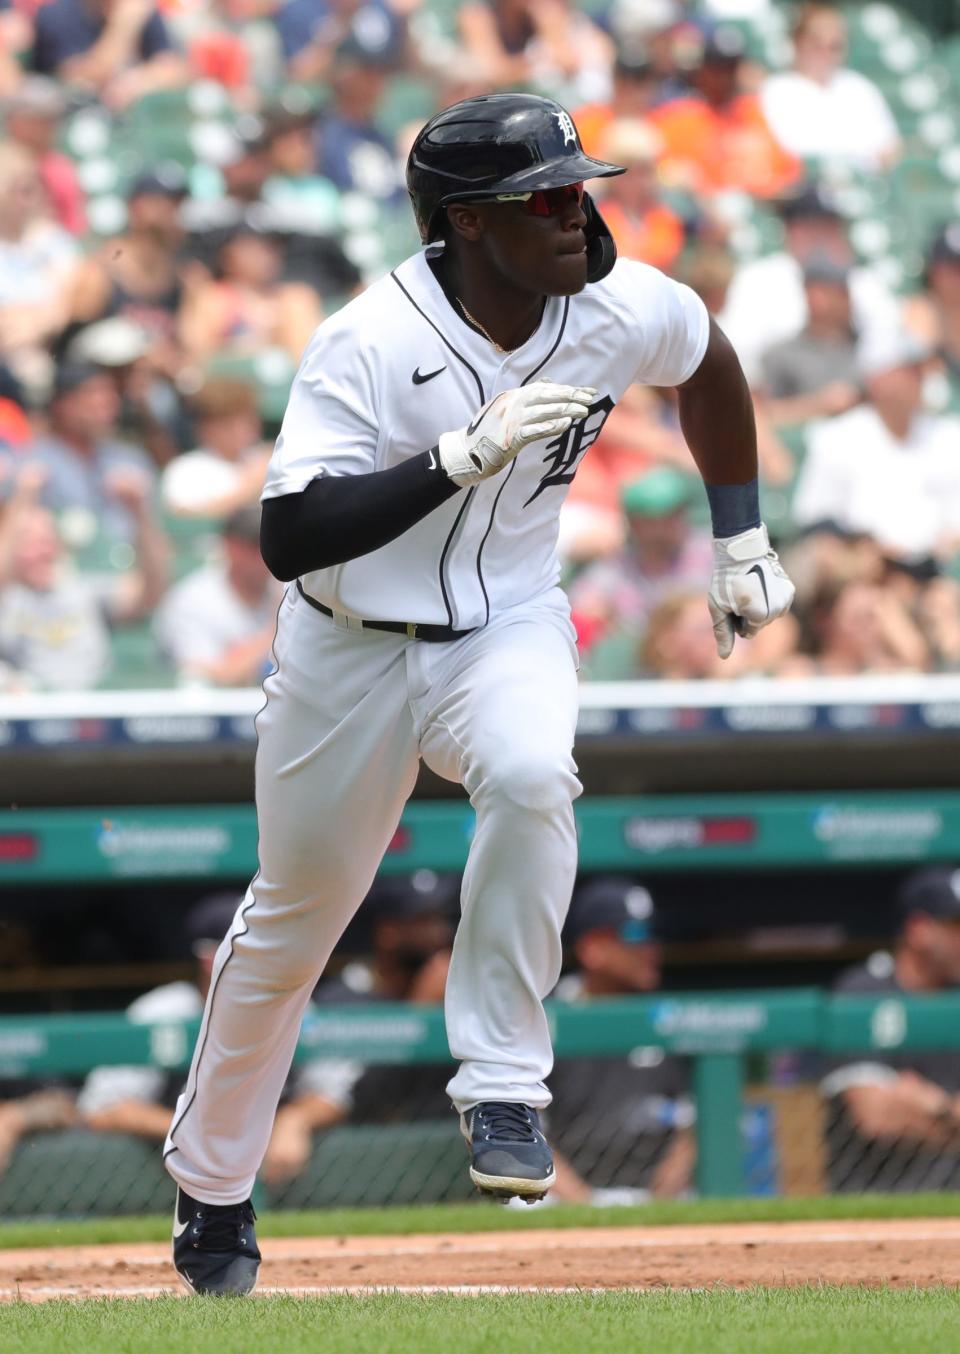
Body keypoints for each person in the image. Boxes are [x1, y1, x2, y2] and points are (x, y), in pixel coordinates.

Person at [163, 91, 794, 1295]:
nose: (576, 213)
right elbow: (289, 535)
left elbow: (709, 362)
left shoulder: (615, 307)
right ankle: (214, 1184)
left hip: (505, 621)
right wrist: (456, 457)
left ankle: (505, 1086)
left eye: (579, 189)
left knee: (529, 770)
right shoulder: (364, 334)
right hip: (345, 642)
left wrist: (740, 535)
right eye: (544, 198)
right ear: (461, 223)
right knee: (292, 923)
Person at [264, 872, 458, 1190]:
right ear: (388, 932)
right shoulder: (341, 1000)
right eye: (423, 921)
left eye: (439, 919)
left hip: (451, 1156)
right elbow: (343, 1096)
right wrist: (420, 1013)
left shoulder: (459, 995)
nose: (439, 934)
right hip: (363, 1165)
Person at [548, 877, 694, 1202]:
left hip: (651, 1193)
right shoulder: (544, 1018)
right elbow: (523, 1130)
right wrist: (583, 1204)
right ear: (592, 949)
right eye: (635, 935)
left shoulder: (666, 1017)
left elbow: (694, 1124)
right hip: (562, 1191)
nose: (650, 948)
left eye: (653, 934)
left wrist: (664, 1193)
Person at [822, 867, 960, 1192]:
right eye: (956, 927)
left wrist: (930, 1103)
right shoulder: (864, 990)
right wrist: (950, 1108)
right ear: (919, 929)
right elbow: (876, 1116)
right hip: (874, 1202)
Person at [792, 331, 960, 563]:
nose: (920, 380)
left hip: (937, 572)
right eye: (910, 371)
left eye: (920, 372)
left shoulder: (950, 436)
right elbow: (816, 520)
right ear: (877, 380)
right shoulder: (838, 437)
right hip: (865, 572)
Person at [0, 461, 169, 691]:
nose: (42, 552)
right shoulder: (8, 598)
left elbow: (152, 589)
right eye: (28, 543)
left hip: (94, 708)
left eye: (48, 541)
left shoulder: (83, 590)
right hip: (28, 713)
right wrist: (23, 496)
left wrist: (139, 513)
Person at [718, 181, 901, 387]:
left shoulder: (864, 282)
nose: (821, 236)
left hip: (856, 396)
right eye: (811, 227)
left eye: (829, 226)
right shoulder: (758, 278)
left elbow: (887, 352)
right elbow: (739, 352)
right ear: (791, 229)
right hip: (782, 396)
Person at [567, 466, 712, 655]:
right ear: (635, 523)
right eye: (656, 518)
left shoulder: (708, 552)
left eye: (675, 514)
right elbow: (581, 613)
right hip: (643, 668)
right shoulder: (617, 567)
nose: (669, 525)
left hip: (713, 663)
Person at [649, 23, 800, 201]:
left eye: (731, 68)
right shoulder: (677, 118)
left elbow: (790, 175)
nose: (725, 76)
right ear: (703, 71)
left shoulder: (754, 112)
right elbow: (652, 173)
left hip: (757, 208)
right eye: (718, 69)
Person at [760, 3, 900, 174]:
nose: (825, 53)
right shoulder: (775, 90)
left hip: (865, 187)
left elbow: (890, 150)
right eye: (817, 44)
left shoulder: (860, 88)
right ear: (797, 42)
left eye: (835, 46)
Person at [153, 505, 282, 686]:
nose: (267, 555)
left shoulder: (287, 590)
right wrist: (278, 630)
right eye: (256, 545)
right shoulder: (192, 600)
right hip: (206, 709)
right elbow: (214, 676)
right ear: (229, 546)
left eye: (273, 545)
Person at [759, 255, 861, 428]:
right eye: (839, 292)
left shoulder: (868, 346)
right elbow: (761, 418)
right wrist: (819, 405)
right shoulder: (781, 354)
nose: (848, 300)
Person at [31, 0, 188, 110]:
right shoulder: (57, 13)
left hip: (131, 117)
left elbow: (173, 69)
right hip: (74, 119)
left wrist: (139, 82)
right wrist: (123, 26)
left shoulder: (139, 6)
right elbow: (81, 80)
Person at [161, 378, 269, 519]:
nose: (249, 427)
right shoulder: (185, 469)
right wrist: (250, 486)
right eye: (233, 422)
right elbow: (187, 519)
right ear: (208, 427)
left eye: (250, 417)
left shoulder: (264, 457)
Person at [3, 78, 86, 236]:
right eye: (41, 119)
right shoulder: (4, 158)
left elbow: (73, 229)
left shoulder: (61, 168)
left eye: (52, 119)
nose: (49, 127)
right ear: (15, 120)